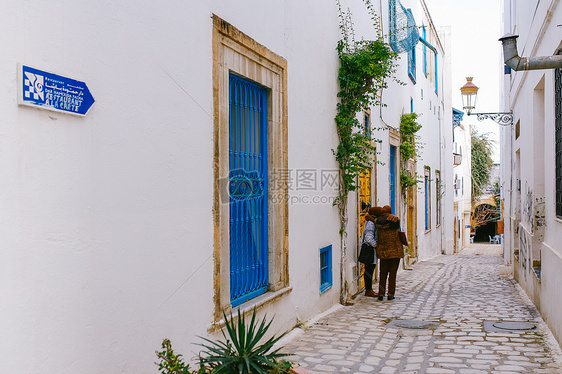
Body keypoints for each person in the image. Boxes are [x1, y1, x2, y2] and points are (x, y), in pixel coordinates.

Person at [375, 205, 403, 301]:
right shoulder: (394, 221)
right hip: (395, 251)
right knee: (392, 274)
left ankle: (381, 294)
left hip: (383, 251)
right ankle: (390, 294)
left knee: (382, 273)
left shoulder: (377, 221)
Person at [359, 206, 382, 297]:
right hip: (369, 250)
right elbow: (368, 238)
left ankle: (369, 289)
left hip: (371, 250)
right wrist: (376, 245)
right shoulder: (371, 223)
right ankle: (368, 290)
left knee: (370, 269)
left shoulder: (372, 222)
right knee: (369, 270)